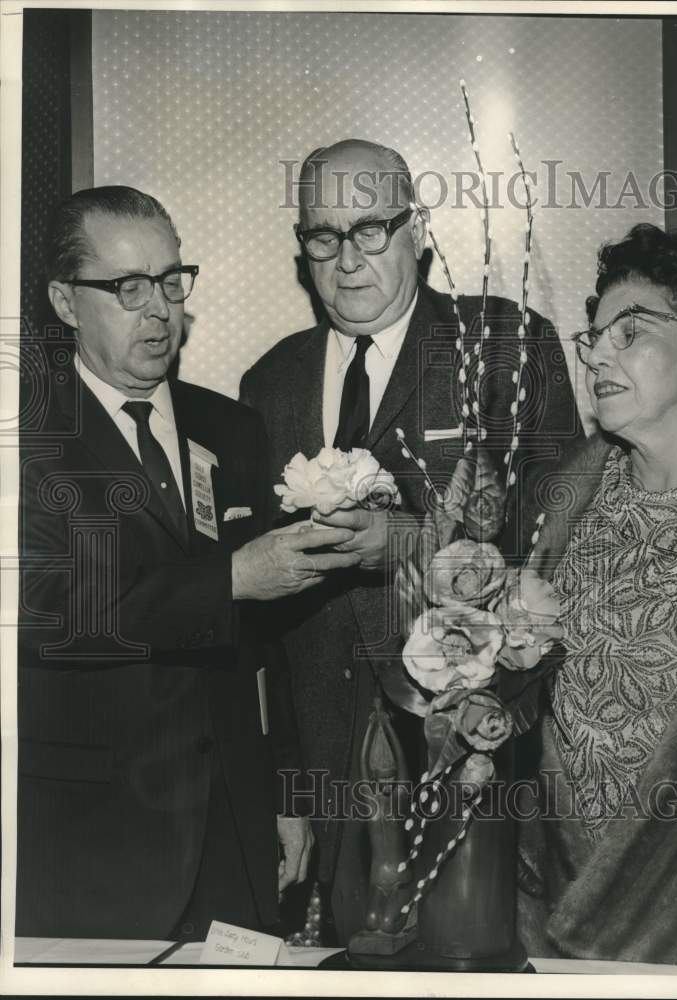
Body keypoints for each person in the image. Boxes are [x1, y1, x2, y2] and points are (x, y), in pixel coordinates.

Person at [239, 138, 582, 943]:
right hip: (327, 781)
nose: (346, 260)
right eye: (322, 236)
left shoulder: (506, 348)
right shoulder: (270, 382)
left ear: (418, 229)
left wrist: (411, 545)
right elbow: (262, 633)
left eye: (371, 229)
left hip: (474, 763)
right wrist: (291, 789)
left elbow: (559, 552)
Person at [16, 185, 361, 941]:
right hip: (90, 839)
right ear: (65, 303)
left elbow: (272, 639)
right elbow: (42, 608)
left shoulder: (230, 426)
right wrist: (231, 579)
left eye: (172, 282)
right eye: (127, 287)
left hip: (235, 832)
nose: (160, 310)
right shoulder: (25, 437)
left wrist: (288, 793)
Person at [516, 223, 677, 969]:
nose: (598, 354)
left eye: (632, 333)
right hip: (563, 916)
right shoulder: (563, 502)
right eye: (594, 335)